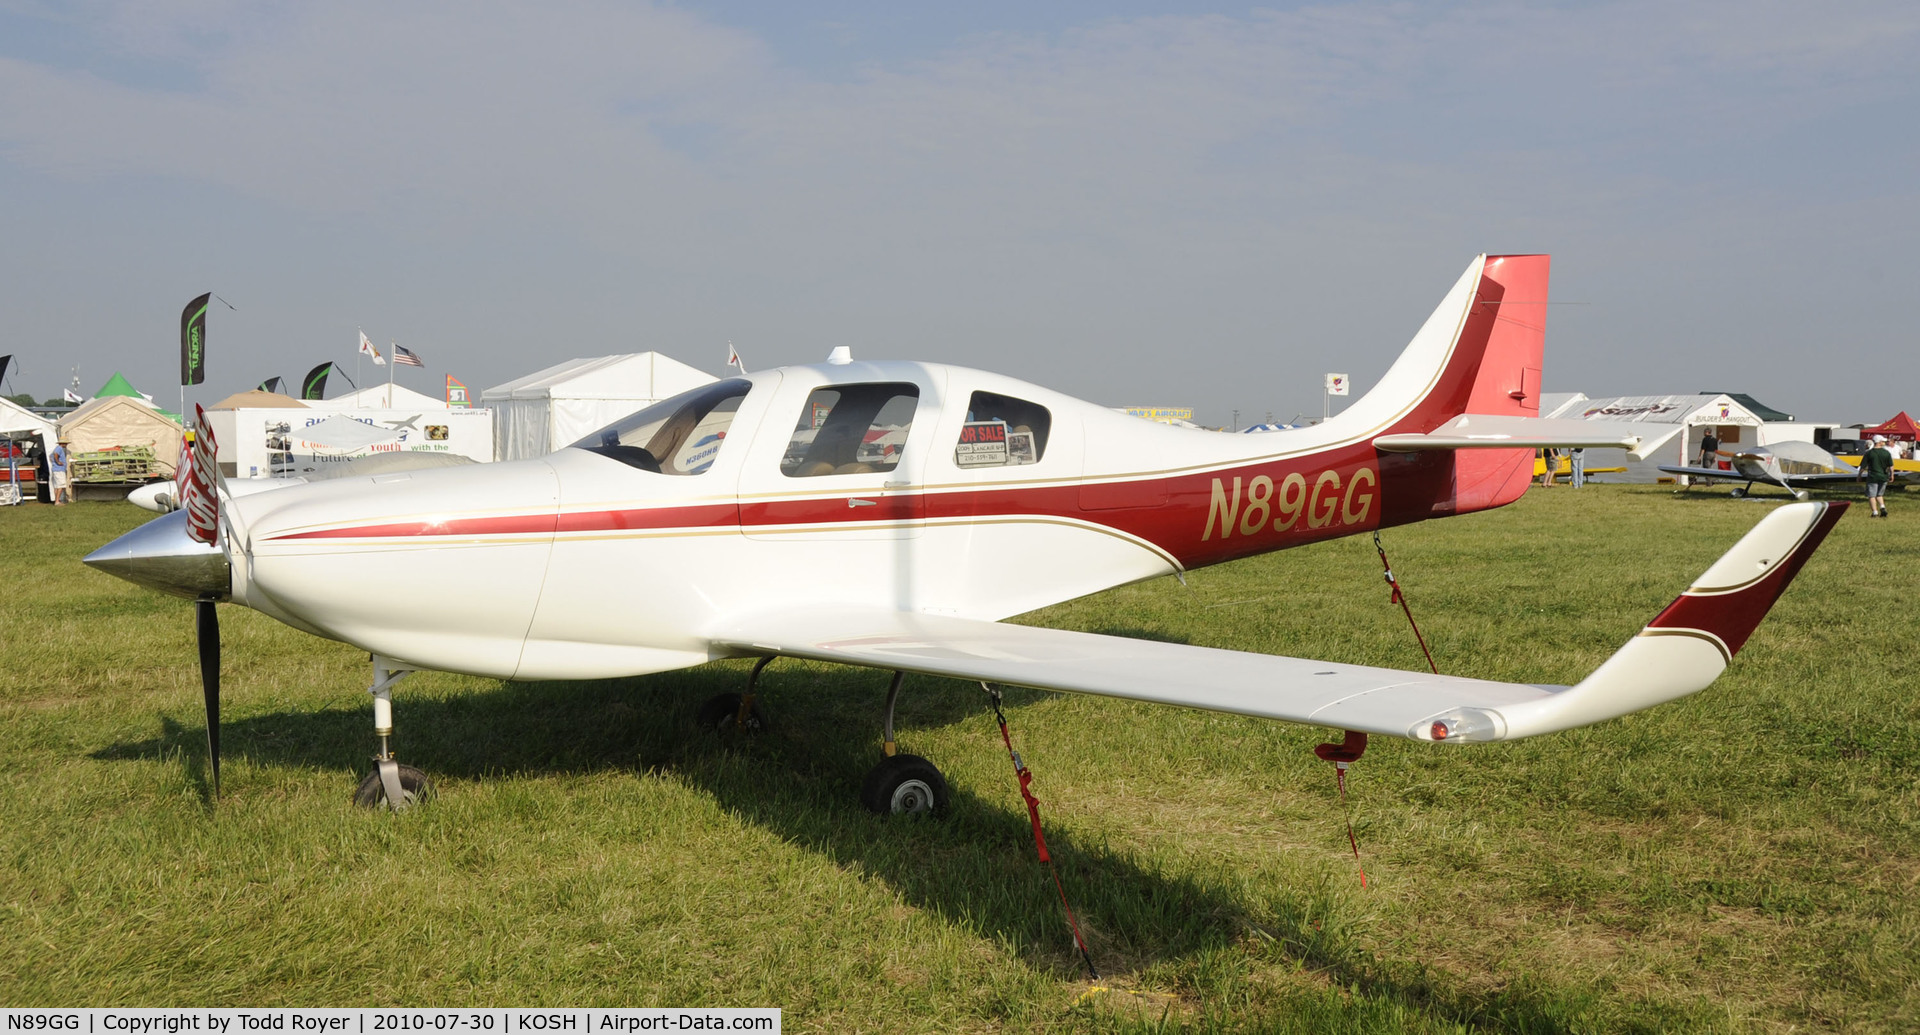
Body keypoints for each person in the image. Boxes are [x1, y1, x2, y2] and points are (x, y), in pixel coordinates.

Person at [1858, 435, 1894, 518]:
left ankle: (1875, 513)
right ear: (1879, 442)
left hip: (1873, 477)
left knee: (1872, 495)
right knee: (1879, 494)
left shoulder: (1869, 453)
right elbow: (1891, 466)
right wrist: (1892, 475)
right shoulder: (1886, 453)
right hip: (1884, 476)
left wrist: (1859, 475)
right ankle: (1882, 507)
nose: (1884, 442)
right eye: (1883, 441)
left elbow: (1863, 466)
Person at [49, 436, 72, 505]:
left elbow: (50, 456)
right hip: (59, 470)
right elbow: (56, 454)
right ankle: (57, 501)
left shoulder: (57, 448)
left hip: (56, 469)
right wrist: (58, 462)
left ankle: (57, 500)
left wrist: (54, 462)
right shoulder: (59, 448)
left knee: (56, 486)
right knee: (61, 485)